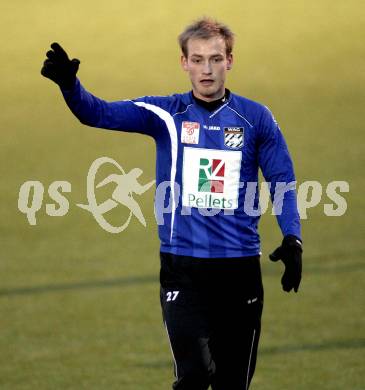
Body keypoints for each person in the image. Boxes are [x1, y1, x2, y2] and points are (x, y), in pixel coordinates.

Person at [41, 17, 303, 390]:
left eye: (215, 59)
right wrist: (70, 85)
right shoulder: (166, 115)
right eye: (197, 60)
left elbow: (282, 180)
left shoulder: (257, 118)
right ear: (184, 63)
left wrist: (293, 238)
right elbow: (97, 112)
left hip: (239, 270)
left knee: (233, 383)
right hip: (184, 271)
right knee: (194, 375)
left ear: (230, 60)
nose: (206, 69)